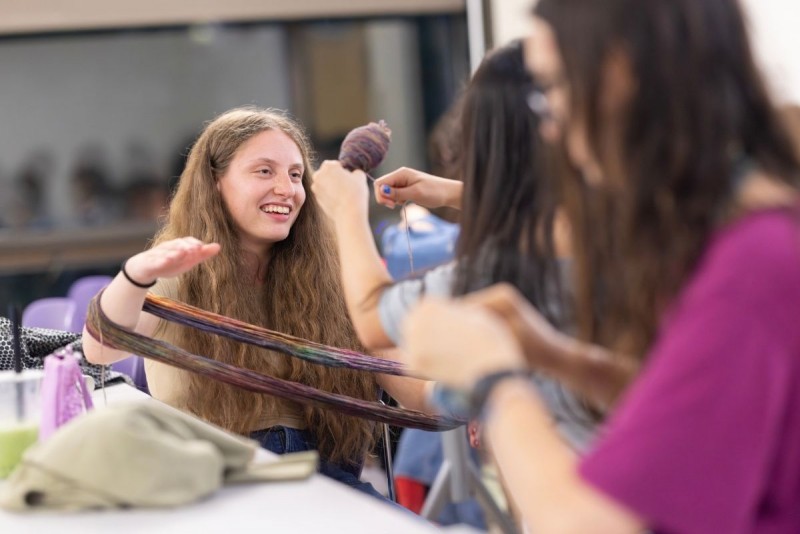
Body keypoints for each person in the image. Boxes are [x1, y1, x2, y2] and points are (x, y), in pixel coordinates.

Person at [401, 0, 800, 532]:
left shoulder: (752, 268)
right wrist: (559, 357)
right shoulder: (738, 236)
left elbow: (588, 523)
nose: (549, 124)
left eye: (553, 89)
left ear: (617, 77)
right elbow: (690, 419)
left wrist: (495, 379)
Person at [83, 107, 429, 500]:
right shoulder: (179, 267)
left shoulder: (332, 277)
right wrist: (136, 274)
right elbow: (98, 348)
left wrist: (485, 400)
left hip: (327, 482)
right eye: (264, 171)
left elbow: (411, 387)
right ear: (215, 182)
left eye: (296, 175)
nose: (286, 188)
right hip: (223, 484)